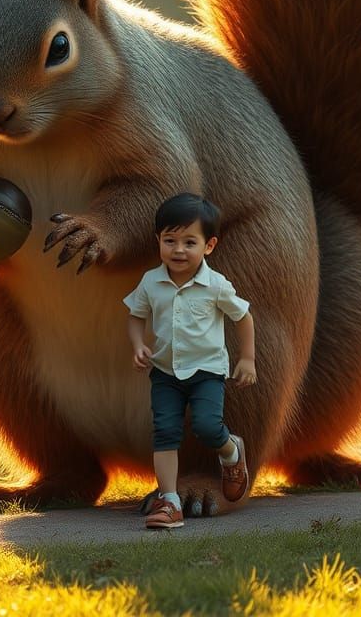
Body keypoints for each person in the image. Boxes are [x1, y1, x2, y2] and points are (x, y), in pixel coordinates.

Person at [123, 194, 256, 529]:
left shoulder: (216, 285)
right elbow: (136, 315)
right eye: (170, 241)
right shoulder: (151, 282)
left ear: (209, 246)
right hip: (165, 372)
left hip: (206, 371)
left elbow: (243, 317)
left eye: (189, 242)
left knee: (207, 427)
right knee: (165, 433)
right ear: (158, 241)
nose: (178, 250)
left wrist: (247, 358)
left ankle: (231, 451)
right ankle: (169, 501)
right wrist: (138, 345)